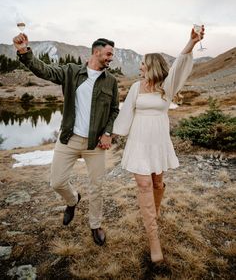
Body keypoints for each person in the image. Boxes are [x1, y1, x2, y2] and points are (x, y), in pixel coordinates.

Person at [13, 34, 119, 246]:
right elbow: (44, 70)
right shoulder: (71, 71)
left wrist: (107, 133)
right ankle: (72, 200)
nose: (111, 58)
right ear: (96, 52)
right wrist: (25, 51)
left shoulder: (111, 81)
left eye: (112, 55)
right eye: (108, 54)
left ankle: (95, 225)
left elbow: (114, 110)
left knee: (96, 186)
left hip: (95, 144)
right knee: (57, 182)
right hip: (68, 138)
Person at [112, 26, 205, 263]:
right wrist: (111, 135)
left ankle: (153, 212)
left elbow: (180, 65)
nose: (140, 66)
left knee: (157, 182)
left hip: (158, 141)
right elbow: (126, 113)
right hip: (139, 142)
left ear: (152, 65)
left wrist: (191, 43)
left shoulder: (167, 87)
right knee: (144, 185)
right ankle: (154, 240)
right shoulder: (135, 87)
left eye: (143, 63)